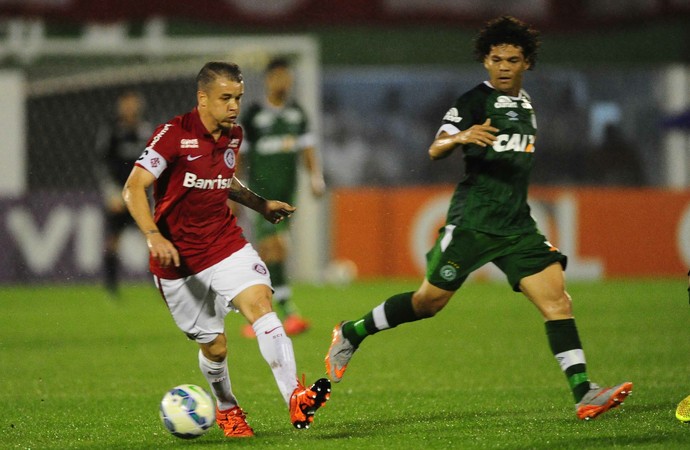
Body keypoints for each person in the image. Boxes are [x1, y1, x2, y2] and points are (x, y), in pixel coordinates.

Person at [325, 16, 632, 421]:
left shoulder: (527, 106)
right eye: (496, 58)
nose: (504, 66)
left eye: (513, 59)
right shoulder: (473, 101)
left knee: (558, 301)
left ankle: (583, 393)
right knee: (427, 303)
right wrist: (460, 137)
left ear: (527, 64)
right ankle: (351, 332)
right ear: (485, 62)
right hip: (473, 221)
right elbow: (435, 148)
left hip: (517, 226)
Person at [122, 62, 330, 437]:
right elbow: (134, 187)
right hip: (178, 261)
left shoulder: (233, 134)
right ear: (203, 99)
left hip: (224, 243)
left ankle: (295, 397)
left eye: (238, 97)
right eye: (225, 98)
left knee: (261, 304)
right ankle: (226, 406)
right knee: (215, 347)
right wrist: (153, 235)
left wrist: (260, 204)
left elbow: (224, 178)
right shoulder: (173, 135)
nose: (234, 106)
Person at [239, 57, 325, 338]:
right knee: (272, 246)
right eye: (277, 77)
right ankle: (286, 313)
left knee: (274, 250)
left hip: (287, 193)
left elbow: (308, 149)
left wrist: (315, 177)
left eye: (287, 77)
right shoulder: (252, 115)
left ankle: (260, 315)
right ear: (268, 80)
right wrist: (234, 192)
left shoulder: (297, 114)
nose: (283, 82)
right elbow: (240, 156)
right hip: (259, 195)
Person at [96, 90, 153, 295]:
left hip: (140, 194)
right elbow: (102, 164)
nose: (130, 107)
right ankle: (111, 287)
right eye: (126, 103)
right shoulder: (112, 130)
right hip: (118, 195)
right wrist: (111, 191)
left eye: (133, 103)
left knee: (150, 238)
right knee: (113, 240)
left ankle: (157, 285)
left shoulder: (145, 129)